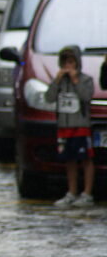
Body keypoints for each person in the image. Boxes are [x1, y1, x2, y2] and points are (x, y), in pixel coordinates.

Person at [47, 45, 95, 207]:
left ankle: (87, 193)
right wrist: (57, 81)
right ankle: (71, 192)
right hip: (64, 127)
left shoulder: (86, 79)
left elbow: (86, 97)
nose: (68, 65)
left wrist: (75, 81)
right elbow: (49, 97)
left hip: (80, 126)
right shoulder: (60, 82)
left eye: (71, 62)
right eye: (65, 62)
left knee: (86, 159)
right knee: (69, 159)